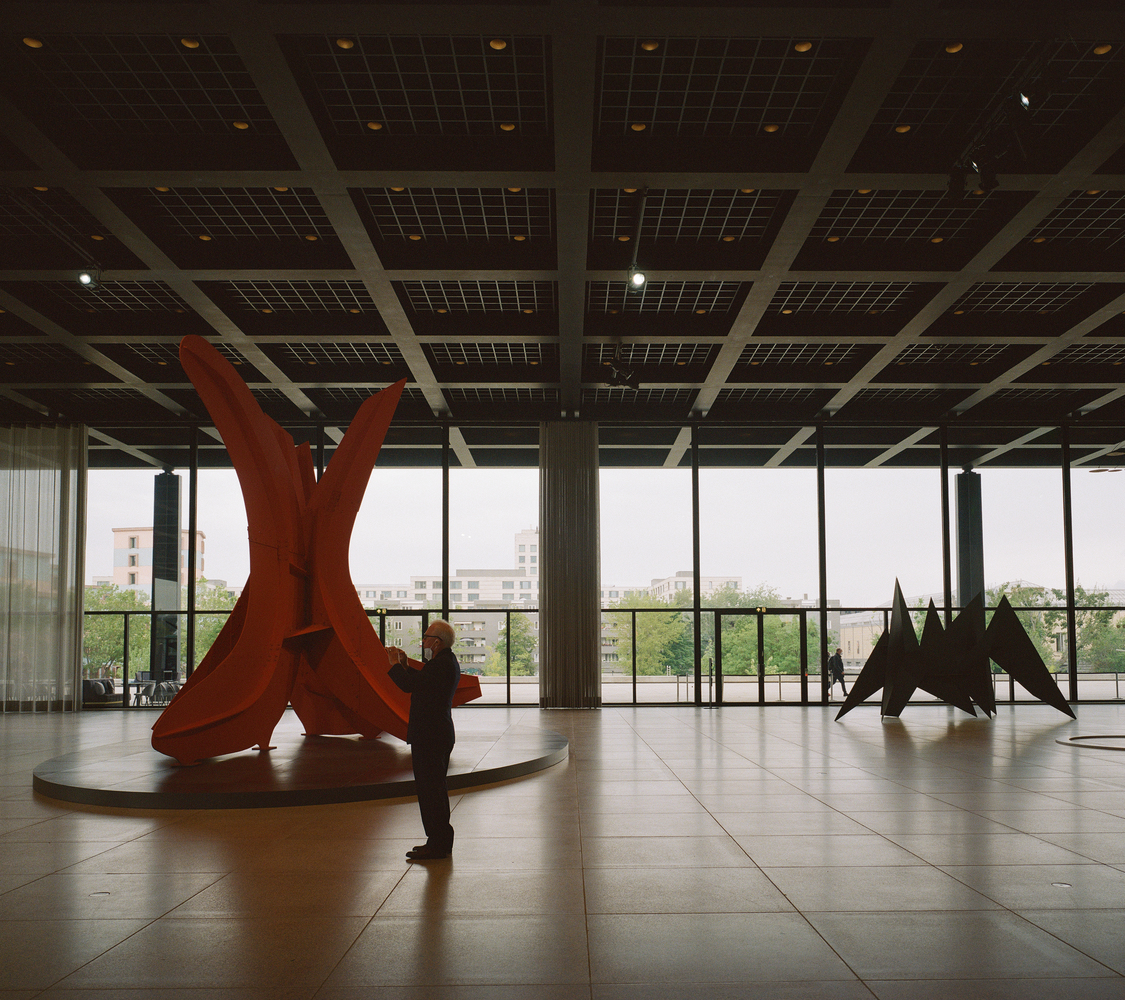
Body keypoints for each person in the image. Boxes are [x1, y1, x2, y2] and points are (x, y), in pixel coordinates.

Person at [387, 619, 461, 861]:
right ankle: (436, 841)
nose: (423, 640)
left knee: (431, 791)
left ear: (437, 642)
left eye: (427, 636)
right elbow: (422, 682)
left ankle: (438, 844)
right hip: (435, 734)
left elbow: (409, 686)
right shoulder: (443, 662)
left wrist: (395, 665)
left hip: (431, 736)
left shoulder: (440, 665)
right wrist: (407, 666)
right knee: (433, 790)